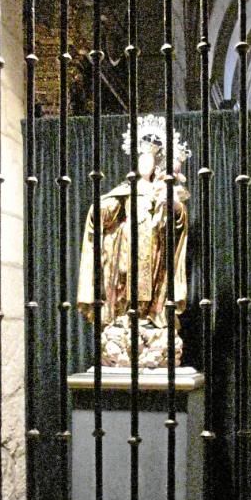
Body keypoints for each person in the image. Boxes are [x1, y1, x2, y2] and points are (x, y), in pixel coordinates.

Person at [76, 115, 190, 368]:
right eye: (142, 160)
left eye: (150, 161)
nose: (146, 165)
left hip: (155, 243)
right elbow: (105, 212)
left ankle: (149, 317)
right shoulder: (125, 190)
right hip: (128, 243)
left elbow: (179, 220)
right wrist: (100, 209)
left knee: (154, 281)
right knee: (124, 279)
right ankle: (124, 317)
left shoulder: (163, 188)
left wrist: (171, 204)